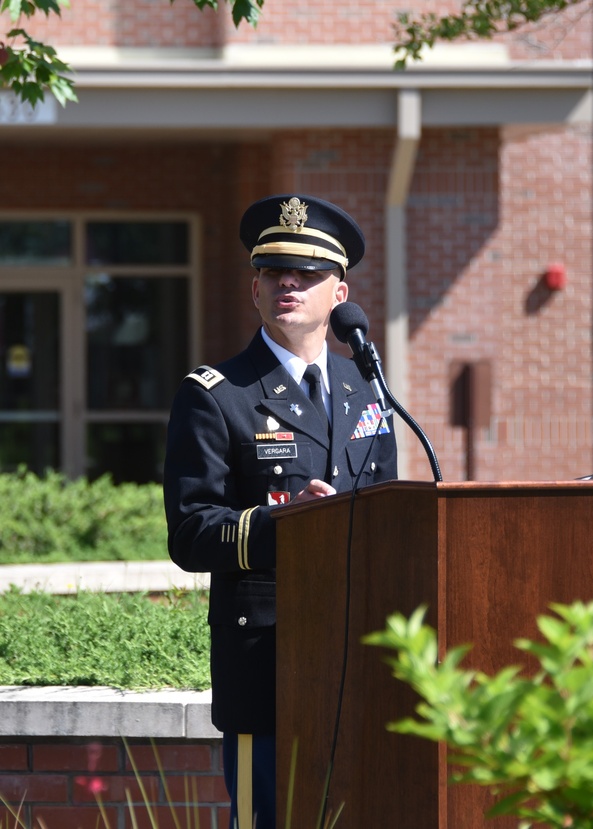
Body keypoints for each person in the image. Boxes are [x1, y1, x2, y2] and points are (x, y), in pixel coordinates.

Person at [162, 194, 398, 829]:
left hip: (357, 656)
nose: (288, 282)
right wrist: (287, 525)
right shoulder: (217, 394)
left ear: (339, 292)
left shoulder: (367, 389)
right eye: (273, 271)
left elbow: (391, 514)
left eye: (308, 273)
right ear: (256, 289)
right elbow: (190, 532)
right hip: (265, 665)